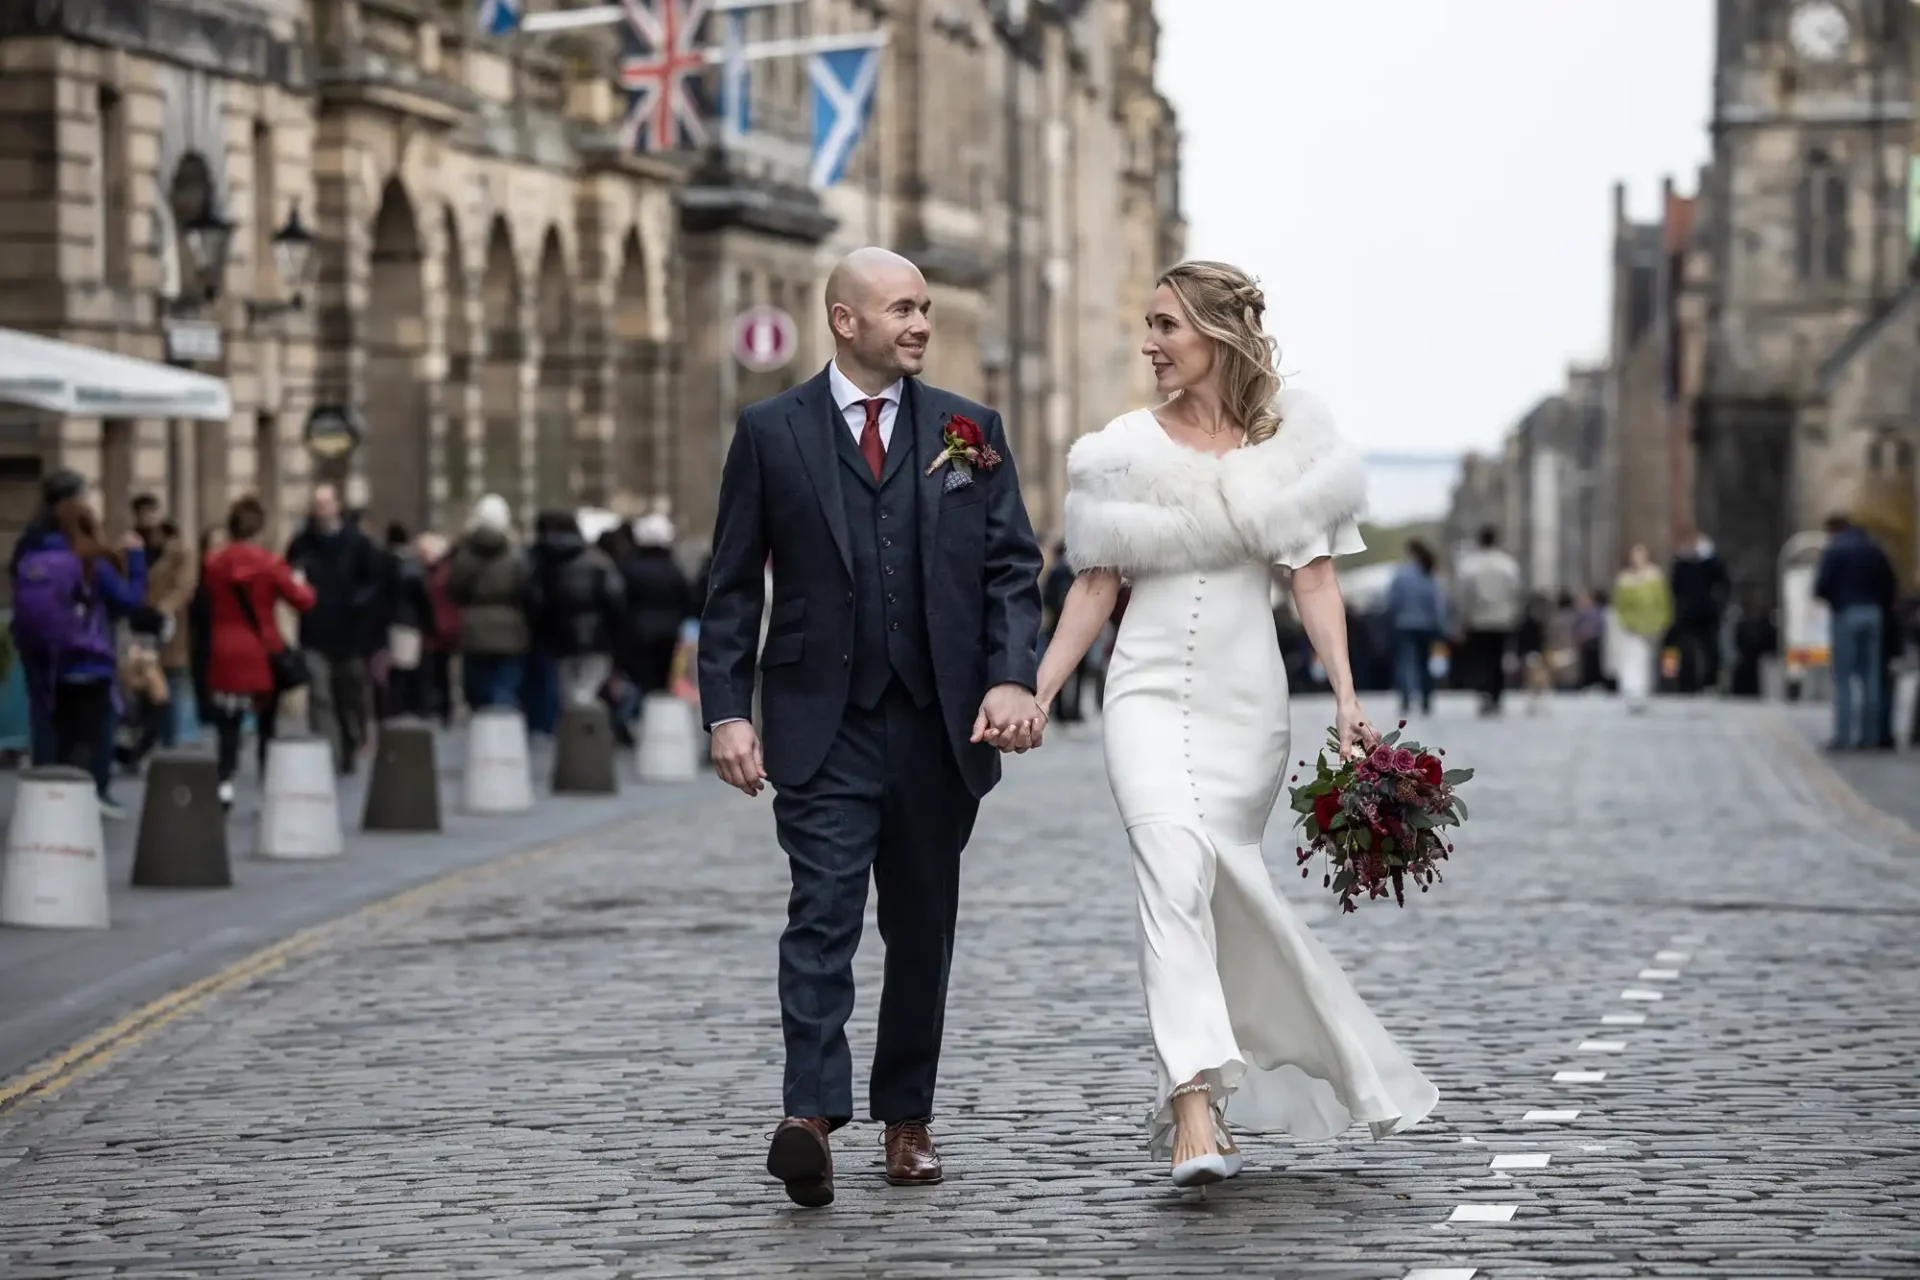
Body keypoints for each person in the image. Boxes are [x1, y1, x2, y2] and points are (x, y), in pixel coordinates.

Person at [1034, 259, 1436, 1188]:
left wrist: (1343, 698)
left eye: (1166, 325)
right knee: (1170, 872)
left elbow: (1316, 582)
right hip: (1141, 693)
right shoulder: (1123, 449)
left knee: (1223, 889)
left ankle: (1256, 1065)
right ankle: (1193, 1102)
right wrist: (1043, 688)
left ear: (1217, 334)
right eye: (1145, 324)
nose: (1149, 343)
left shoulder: (1290, 450)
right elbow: (1094, 585)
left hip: (1246, 707)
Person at [699, 246, 1045, 1208]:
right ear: (845, 321)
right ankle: (809, 1116)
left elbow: (1012, 572)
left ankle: (906, 1120)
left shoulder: (970, 430)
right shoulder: (771, 431)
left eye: (926, 308)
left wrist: (1012, 679)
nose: (922, 324)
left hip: (939, 727)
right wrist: (727, 709)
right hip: (821, 723)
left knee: (921, 928)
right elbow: (729, 588)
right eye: (902, 309)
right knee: (822, 914)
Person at [11, 494, 150, 817]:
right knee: (96, 731)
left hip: (47, 664)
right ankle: (94, 793)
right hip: (89, 663)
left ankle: (42, 797)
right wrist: (137, 560)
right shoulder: (91, 562)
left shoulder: (33, 560)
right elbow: (131, 601)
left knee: (49, 727)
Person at [202, 496, 316, 808]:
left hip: (225, 648)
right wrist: (301, 581)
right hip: (263, 649)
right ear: (261, 528)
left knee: (229, 723)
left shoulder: (214, 564)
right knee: (268, 721)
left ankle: (224, 783)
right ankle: (269, 783)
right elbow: (304, 600)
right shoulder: (270, 564)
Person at [285, 483, 380, 774]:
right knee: (320, 695)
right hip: (314, 631)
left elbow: (374, 583)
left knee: (348, 696)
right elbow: (289, 577)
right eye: (317, 504)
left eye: (326, 504)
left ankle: (351, 742)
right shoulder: (302, 543)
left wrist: (358, 605)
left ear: (337, 506)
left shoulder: (357, 543)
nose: (321, 510)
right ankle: (329, 754)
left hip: (349, 634)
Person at [1813, 513, 1896, 751]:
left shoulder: (1835, 550)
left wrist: (1835, 600)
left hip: (1846, 614)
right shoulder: (1875, 550)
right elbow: (1889, 584)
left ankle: (1843, 736)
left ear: (1833, 530)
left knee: (1844, 678)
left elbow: (1822, 585)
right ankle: (1870, 736)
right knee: (1872, 677)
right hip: (1874, 614)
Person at [526, 510, 625, 709]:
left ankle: (571, 732)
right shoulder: (599, 562)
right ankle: (587, 732)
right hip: (597, 638)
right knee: (587, 691)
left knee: (567, 694)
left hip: (559, 639)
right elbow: (616, 601)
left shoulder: (541, 562)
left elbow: (535, 601)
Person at [447, 493, 531, 713]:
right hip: (510, 629)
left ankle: (483, 727)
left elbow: (455, 591)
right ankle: (504, 727)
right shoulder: (515, 558)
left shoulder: (465, 557)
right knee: (505, 685)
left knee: (478, 686)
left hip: (474, 628)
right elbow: (525, 591)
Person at [1452, 526, 1523, 714]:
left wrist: (1464, 617)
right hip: (1502, 619)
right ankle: (1497, 694)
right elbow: (1515, 592)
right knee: (1498, 658)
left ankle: (1484, 692)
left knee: (1481, 658)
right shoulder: (1508, 565)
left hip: (1478, 620)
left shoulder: (1470, 566)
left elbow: (1463, 595)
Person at [1383, 538, 1445, 715]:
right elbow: (1437, 602)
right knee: (1425, 664)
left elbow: (1392, 600)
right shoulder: (1430, 573)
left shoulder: (1401, 574)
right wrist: (1440, 624)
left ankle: (1406, 698)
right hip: (1427, 625)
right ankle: (1426, 699)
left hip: (1404, 624)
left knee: (1406, 662)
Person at [1611, 544, 1672, 713]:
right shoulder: (1624, 580)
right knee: (1632, 658)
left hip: (1652, 626)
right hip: (1631, 626)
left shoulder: (1655, 577)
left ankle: (1644, 689)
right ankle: (1632, 690)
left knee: (1648, 659)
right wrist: (1625, 621)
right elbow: (1620, 605)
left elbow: (1663, 602)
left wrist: (1662, 621)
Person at [1669, 530, 1729, 693]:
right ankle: (1687, 683)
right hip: (1687, 613)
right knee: (1686, 650)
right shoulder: (1681, 564)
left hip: (1707, 613)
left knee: (1710, 647)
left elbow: (1723, 583)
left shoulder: (1711, 562)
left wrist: (1719, 604)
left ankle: (1711, 682)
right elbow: (1674, 587)